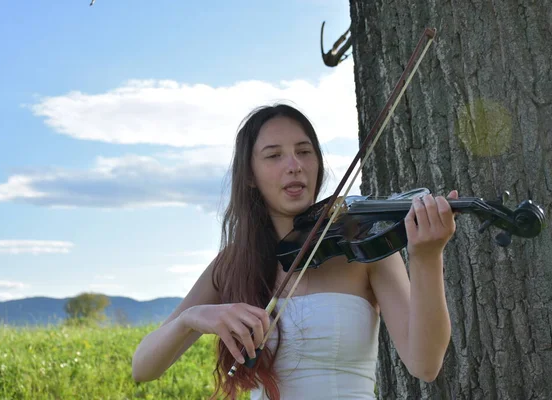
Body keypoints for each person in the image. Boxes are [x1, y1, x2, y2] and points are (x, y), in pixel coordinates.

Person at [131, 103, 457, 399]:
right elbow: (143, 368)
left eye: (304, 151)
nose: (294, 165)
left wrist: (427, 258)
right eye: (274, 156)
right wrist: (192, 318)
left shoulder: (362, 248)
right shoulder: (235, 262)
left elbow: (425, 365)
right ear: (250, 177)